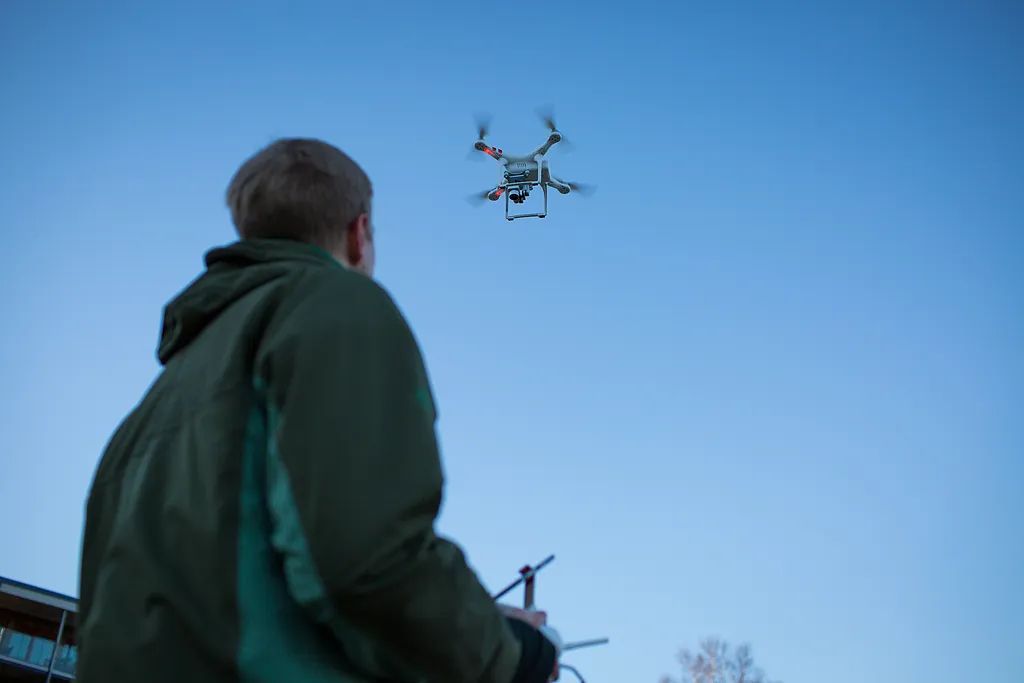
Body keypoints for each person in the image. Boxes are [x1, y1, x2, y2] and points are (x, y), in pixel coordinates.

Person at [77, 138, 559, 682]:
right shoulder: (340, 307)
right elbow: (366, 561)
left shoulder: (154, 405)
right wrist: (506, 654)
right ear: (359, 235)